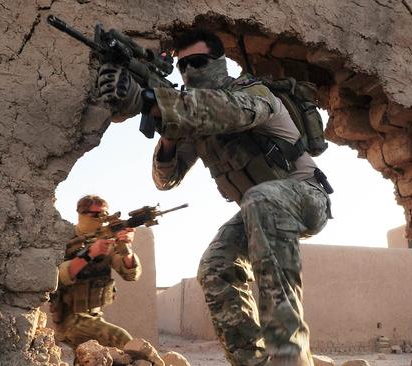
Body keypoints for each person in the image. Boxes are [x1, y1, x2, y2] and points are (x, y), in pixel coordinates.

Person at [97, 30, 331, 366]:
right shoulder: (194, 117)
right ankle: (252, 361)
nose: (190, 71)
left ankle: (289, 357)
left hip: (306, 197)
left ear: (219, 63)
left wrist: (152, 101)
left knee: (262, 198)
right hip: (258, 212)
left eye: (198, 62)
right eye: (183, 66)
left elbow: (231, 112)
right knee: (215, 267)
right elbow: (166, 179)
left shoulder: (253, 93)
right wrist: (168, 136)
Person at [50, 195, 141, 350]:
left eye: (105, 215)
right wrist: (90, 253)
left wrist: (126, 246)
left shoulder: (107, 242)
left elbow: (130, 274)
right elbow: (60, 277)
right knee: (122, 339)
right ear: (82, 214)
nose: (102, 219)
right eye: (97, 215)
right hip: (69, 320)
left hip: (95, 317)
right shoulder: (64, 239)